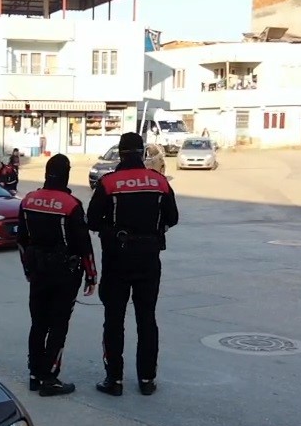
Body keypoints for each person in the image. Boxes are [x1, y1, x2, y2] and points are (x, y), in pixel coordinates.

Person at [88, 132, 180, 396]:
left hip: (117, 260)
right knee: (147, 319)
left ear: (120, 153)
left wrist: (112, 229)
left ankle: (114, 380)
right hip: (149, 259)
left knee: (114, 320)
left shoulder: (109, 183)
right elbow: (173, 218)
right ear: (142, 153)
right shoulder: (159, 181)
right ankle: (147, 380)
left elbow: (92, 220)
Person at [17, 154, 97, 397]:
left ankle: (34, 374)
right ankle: (50, 378)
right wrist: (91, 275)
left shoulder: (28, 200)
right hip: (64, 274)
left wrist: (28, 269)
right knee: (58, 325)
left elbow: (21, 240)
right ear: (67, 174)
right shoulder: (71, 204)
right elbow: (83, 244)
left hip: (38, 271)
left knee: (38, 323)